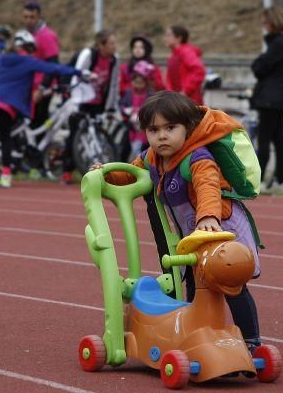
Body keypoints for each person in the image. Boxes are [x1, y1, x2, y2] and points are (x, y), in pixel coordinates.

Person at [91, 91, 263, 353]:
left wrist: (208, 217)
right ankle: (197, 332)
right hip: (192, 233)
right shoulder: (152, 158)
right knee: (195, 283)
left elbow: (208, 187)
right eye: (153, 129)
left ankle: (251, 340)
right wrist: (106, 175)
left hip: (220, 227)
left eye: (170, 128)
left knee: (231, 283)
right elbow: (133, 174)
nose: (162, 136)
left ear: (188, 127)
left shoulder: (198, 157)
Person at [0, 30, 89, 188]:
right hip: (5, 103)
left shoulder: (5, 58)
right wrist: (79, 72)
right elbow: (53, 68)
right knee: (5, 136)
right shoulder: (28, 61)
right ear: (29, 48)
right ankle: (6, 176)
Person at [61, 29, 121, 183]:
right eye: (111, 43)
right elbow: (77, 76)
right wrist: (75, 102)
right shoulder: (89, 55)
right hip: (80, 99)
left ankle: (98, 170)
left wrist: (110, 107)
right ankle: (66, 170)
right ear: (101, 45)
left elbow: (113, 84)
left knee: (96, 135)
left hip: (97, 103)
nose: (115, 46)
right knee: (74, 134)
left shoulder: (114, 60)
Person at [250, 6, 283, 194]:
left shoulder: (279, 44)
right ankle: (280, 179)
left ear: (273, 23)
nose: (264, 27)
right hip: (279, 97)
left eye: (265, 23)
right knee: (278, 139)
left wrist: (258, 62)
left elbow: (260, 66)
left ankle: (260, 180)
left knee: (265, 140)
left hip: (270, 98)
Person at [22, 0, 61, 128]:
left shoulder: (46, 36)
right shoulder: (28, 35)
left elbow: (53, 64)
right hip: (29, 86)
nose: (28, 20)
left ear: (38, 17)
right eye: (25, 17)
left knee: (38, 123)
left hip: (42, 88)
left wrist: (42, 88)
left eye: (32, 17)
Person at [118, 60, 156, 159]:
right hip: (131, 127)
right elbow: (122, 104)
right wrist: (126, 110)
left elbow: (153, 108)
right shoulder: (129, 93)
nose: (138, 85)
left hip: (144, 128)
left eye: (141, 82)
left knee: (146, 150)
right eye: (135, 82)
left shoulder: (150, 94)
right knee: (125, 148)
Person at [163, 25, 206, 105]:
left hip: (189, 101)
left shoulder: (186, 52)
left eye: (169, 35)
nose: (165, 38)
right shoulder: (173, 56)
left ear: (179, 38)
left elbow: (199, 70)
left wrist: (186, 91)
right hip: (178, 101)